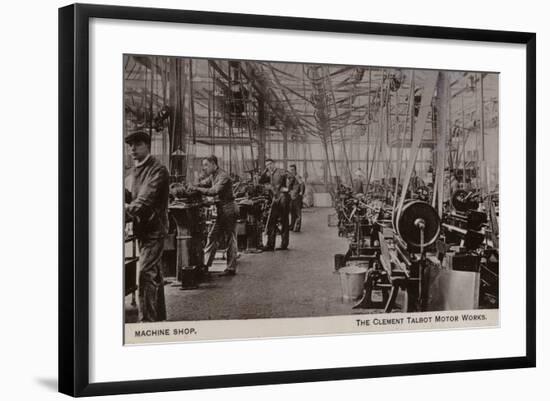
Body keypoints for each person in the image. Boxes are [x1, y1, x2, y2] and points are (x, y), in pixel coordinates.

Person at [125, 131, 169, 322]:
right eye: (130, 145)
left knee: (144, 273)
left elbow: (145, 200)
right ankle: (158, 316)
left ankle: (147, 323)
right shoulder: (132, 172)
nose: (133, 149)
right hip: (142, 229)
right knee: (154, 273)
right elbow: (129, 195)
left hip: (155, 230)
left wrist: (127, 210)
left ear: (147, 146)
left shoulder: (158, 170)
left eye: (137, 144)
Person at [188, 155, 238, 275]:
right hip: (222, 210)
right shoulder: (213, 176)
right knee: (212, 236)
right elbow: (204, 184)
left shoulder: (223, 176)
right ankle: (205, 265)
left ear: (214, 164)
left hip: (229, 209)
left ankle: (231, 268)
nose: (204, 168)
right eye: (203, 165)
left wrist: (196, 188)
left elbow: (213, 191)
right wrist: (192, 186)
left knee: (230, 239)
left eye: (206, 165)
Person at [259, 158, 290, 251]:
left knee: (284, 222)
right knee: (271, 221)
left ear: (274, 164)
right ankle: (270, 245)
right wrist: (265, 171)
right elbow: (261, 181)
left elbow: (292, 177)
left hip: (283, 199)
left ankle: (284, 244)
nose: (269, 166)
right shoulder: (268, 173)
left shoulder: (281, 171)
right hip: (274, 200)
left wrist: (287, 189)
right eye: (267, 165)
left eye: (270, 164)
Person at [288, 164, 305, 232]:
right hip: (292, 196)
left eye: (292, 170)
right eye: (290, 170)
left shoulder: (297, 176)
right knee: (292, 212)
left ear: (295, 170)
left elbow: (302, 184)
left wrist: (301, 192)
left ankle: (297, 227)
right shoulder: (291, 177)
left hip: (297, 197)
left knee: (298, 213)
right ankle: (292, 226)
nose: (291, 171)